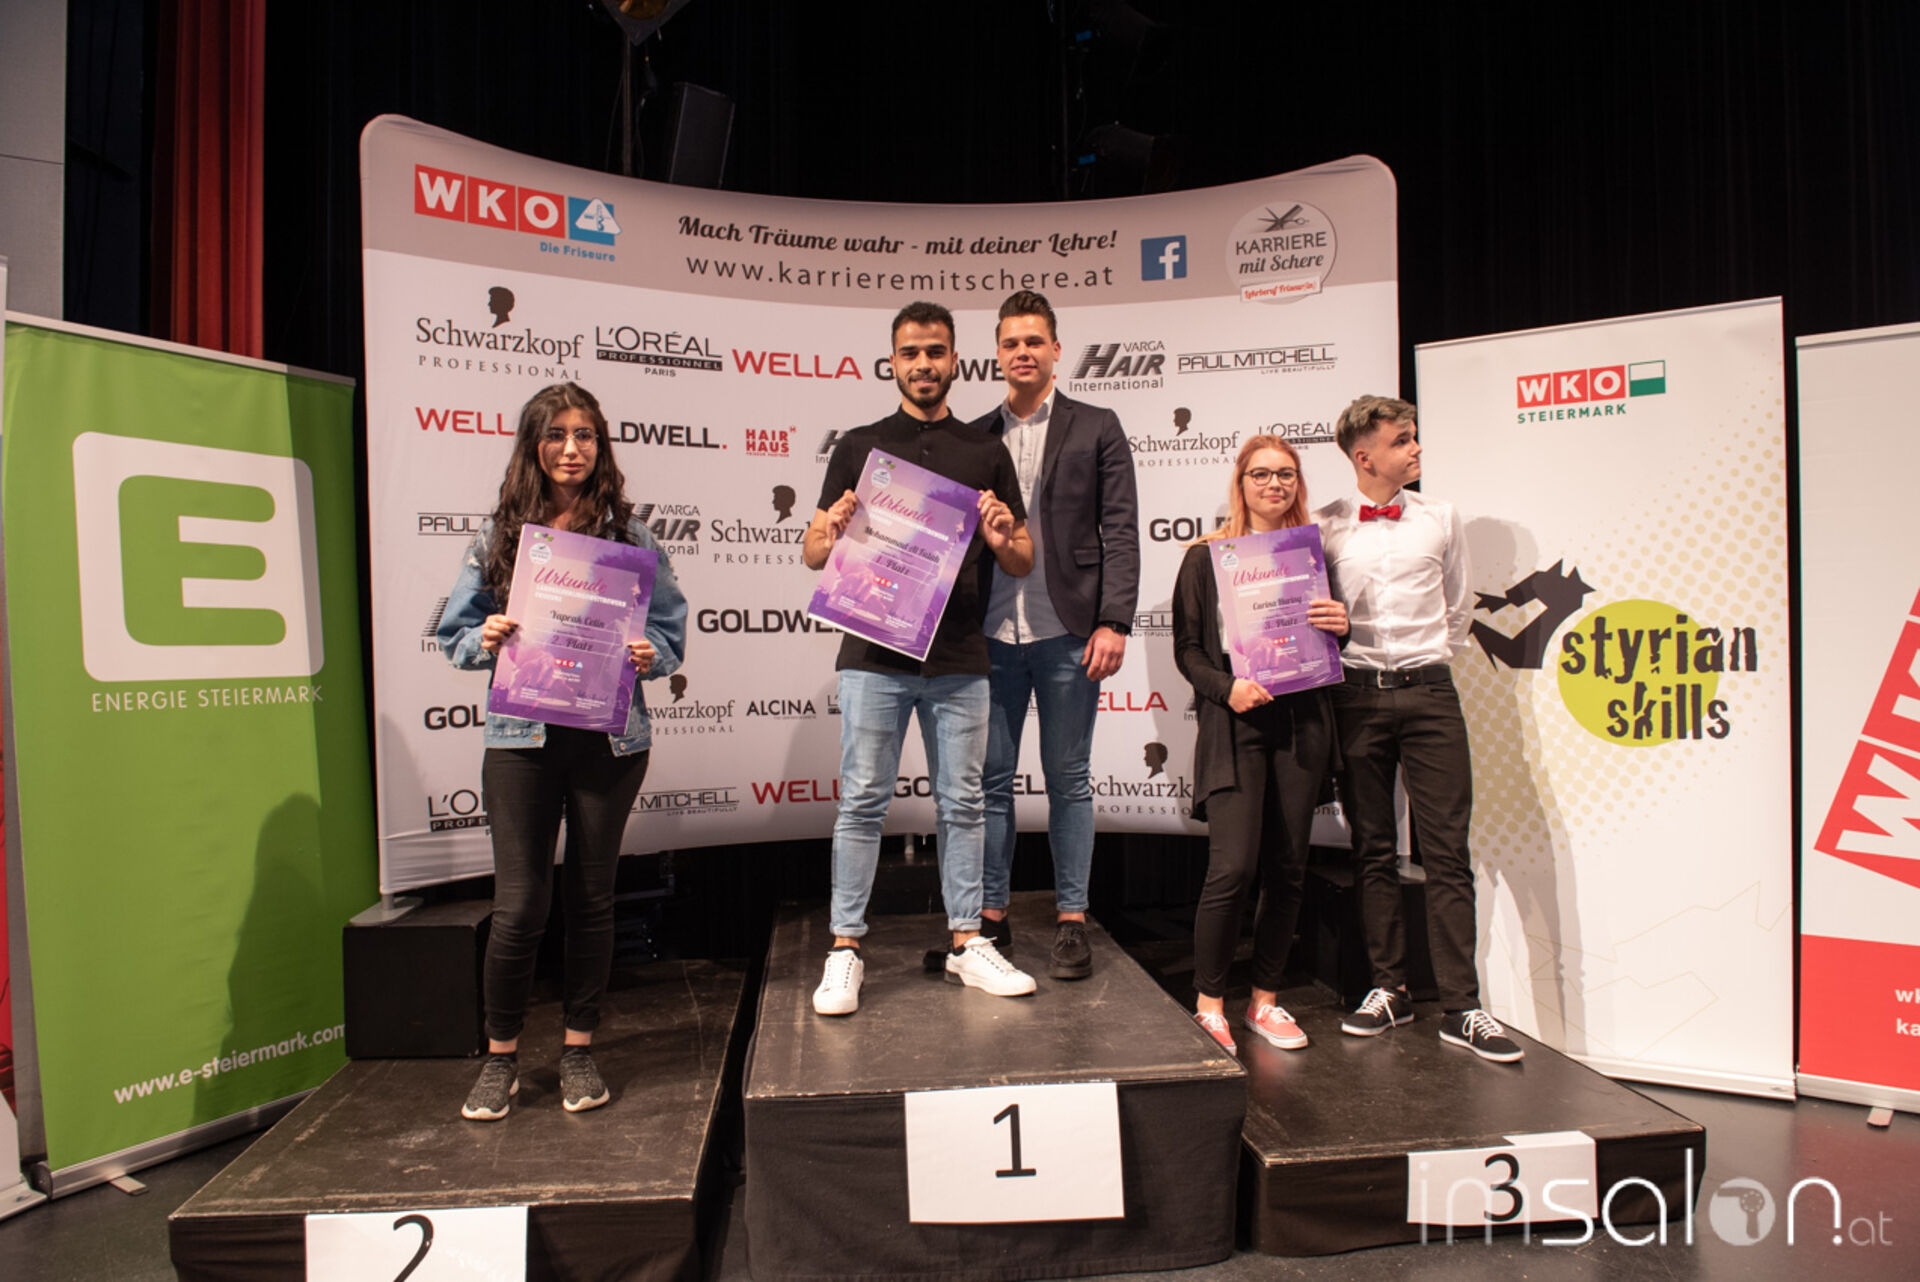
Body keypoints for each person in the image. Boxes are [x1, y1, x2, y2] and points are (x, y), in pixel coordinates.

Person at [439, 381, 689, 1119]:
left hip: (609, 740)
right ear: (534, 446)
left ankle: (578, 1049)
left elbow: (670, 633)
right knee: (520, 906)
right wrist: (483, 638)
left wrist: (651, 654)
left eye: (584, 435)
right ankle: (501, 1059)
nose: (571, 449)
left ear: (600, 446)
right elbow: (455, 634)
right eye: (556, 435)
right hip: (522, 740)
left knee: (591, 899)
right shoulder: (500, 536)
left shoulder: (631, 538)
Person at [804, 301, 1036, 1015]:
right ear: (893, 362)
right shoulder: (860, 447)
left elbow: (1022, 559)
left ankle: (968, 943)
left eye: (935, 352)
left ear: (955, 360)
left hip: (959, 655)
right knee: (862, 802)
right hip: (873, 654)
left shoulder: (985, 451)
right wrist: (830, 528)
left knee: (963, 804)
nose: (924, 364)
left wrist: (1002, 535)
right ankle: (845, 948)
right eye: (911, 353)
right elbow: (813, 552)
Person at [1315, 395, 1522, 1063]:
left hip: (1431, 694)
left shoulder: (1441, 517)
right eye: (1402, 440)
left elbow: (1458, 609)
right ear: (1364, 456)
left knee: (1446, 852)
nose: (1416, 449)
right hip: (1355, 696)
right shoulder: (1325, 525)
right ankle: (1389, 988)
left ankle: (1462, 1006)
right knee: (1373, 849)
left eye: (1414, 437)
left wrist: (1425, 663)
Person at [973, 290, 1140, 980]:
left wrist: (1115, 620)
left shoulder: (1097, 425)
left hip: (1070, 631)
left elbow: (1120, 529)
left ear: (1055, 350)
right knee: (990, 782)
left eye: (1034, 341)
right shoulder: (975, 436)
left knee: (1068, 779)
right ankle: (990, 918)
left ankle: (1072, 919)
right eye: (1011, 343)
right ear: (997, 353)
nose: (1023, 353)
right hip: (989, 633)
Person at [1173, 436, 1348, 1053]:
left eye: (1286, 474)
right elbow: (1188, 651)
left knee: (1288, 870)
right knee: (1233, 868)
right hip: (1236, 721)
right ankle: (1210, 1005)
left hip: (1303, 722)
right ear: (1241, 483)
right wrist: (1227, 688)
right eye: (1262, 474)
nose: (1275, 484)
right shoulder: (1205, 558)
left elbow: (1331, 640)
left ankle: (1265, 1002)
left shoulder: (1312, 556)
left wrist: (1342, 627)